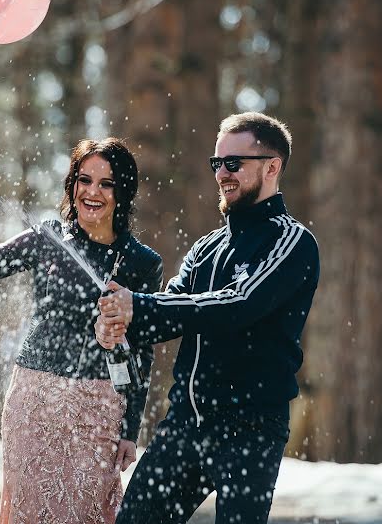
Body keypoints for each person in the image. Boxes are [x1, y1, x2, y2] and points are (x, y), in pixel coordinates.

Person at [95, 112, 320, 523]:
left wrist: (140, 306)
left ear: (272, 167)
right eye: (217, 164)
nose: (222, 174)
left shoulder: (294, 241)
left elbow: (238, 304)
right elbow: (171, 311)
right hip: (185, 423)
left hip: (249, 430)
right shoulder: (206, 247)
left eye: (234, 163)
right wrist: (120, 320)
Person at [0, 138, 163, 524]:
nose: (92, 192)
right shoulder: (47, 239)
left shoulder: (142, 263)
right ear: (72, 185)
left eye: (106, 183)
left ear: (123, 192)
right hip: (34, 401)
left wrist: (131, 429)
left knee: (88, 512)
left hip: (99, 408)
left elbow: (142, 353)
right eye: (84, 180)